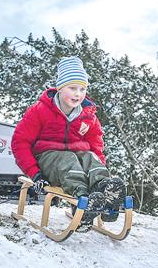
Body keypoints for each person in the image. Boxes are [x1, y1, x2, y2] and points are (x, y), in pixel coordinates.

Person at [11, 56, 124, 228]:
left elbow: (96, 145)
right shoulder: (40, 111)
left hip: (76, 157)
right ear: (60, 88)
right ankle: (82, 202)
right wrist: (34, 173)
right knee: (68, 160)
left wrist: (98, 163)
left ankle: (105, 192)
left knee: (90, 157)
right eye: (72, 88)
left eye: (82, 89)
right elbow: (20, 142)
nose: (78, 94)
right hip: (47, 159)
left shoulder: (88, 116)